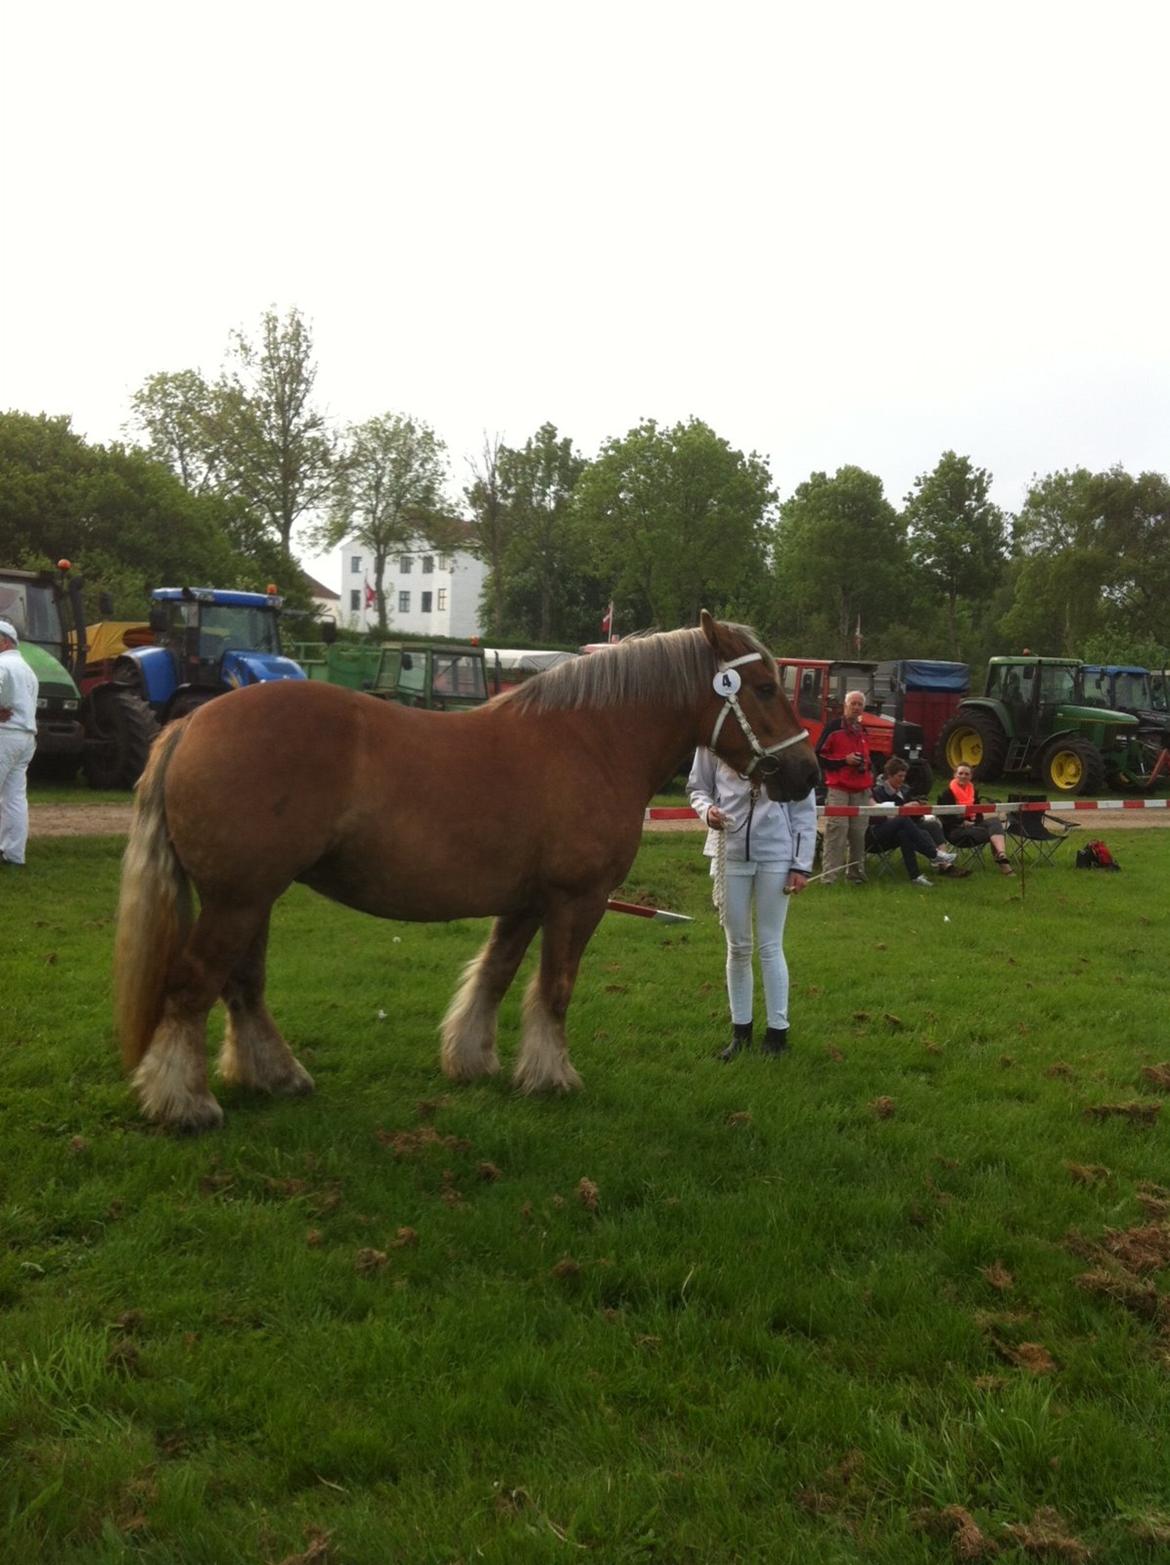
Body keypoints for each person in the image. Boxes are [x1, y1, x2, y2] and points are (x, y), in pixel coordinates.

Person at [687, 746, 816, 1060]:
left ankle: (777, 1033)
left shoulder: (782, 737)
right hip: (729, 851)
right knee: (738, 946)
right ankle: (740, 1032)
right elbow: (697, 787)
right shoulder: (713, 743)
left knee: (771, 945)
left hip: (775, 853)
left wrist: (800, 864)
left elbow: (803, 806)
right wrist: (707, 811)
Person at [870, 757, 965, 885]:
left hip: (907, 825)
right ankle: (935, 855)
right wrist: (903, 808)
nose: (902, 779)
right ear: (890, 776)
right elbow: (878, 816)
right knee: (908, 824)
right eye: (899, 776)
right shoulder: (878, 792)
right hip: (882, 830)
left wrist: (918, 808)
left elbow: (912, 816)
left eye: (904, 776)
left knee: (922, 828)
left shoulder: (905, 789)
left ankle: (919, 874)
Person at [815, 689, 872, 885]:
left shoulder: (863, 731)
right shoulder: (833, 728)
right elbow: (818, 756)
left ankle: (856, 875)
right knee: (837, 830)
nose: (856, 707)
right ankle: (829, 878)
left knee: (858, 833)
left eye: (859, 704)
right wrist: (844, 761)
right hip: (839, 788)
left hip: (861, 788)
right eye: (853, 704)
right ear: (845, 706)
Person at [0, 618, 39, 868]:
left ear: (4, 641)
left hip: (4, 735)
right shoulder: (28, 670)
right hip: (25, 737)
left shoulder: (2, 664)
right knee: (14, 797)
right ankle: (14, 854)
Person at [937, 763, 1015, 875]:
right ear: (955, 775)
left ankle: (1002, 854)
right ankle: (1004, 866)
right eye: (960, 773)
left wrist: (973, 822)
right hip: (956, 830)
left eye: (966, 774)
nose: (963, 776)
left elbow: (979, 816)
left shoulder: (973, 792)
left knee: (994, 822)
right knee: (994, 832)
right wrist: (962, 822)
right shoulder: (947, 793)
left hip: (974, 827)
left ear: (971, 776)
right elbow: (945, 818)